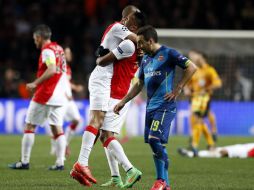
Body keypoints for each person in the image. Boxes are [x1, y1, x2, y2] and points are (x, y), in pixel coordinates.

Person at [114, 25, 197, 190]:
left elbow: (191, 67)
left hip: (165, 105)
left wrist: (178, 88)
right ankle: (165, 184)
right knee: (155, 144)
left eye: (141, 43)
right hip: (150, 107)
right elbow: (138, 84)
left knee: (154, 139)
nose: (139, 47)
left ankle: (161, 180)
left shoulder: (168, 53)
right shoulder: (145, 59)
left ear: (150, 41)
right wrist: (123, 101)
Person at [70, 5, 143, 188]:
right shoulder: (119, 27)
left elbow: (106, 55)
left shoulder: (126, 41)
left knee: (100, 128)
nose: (134, 24)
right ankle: (82, 163)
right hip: (104, 80)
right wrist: (144, 45)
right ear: (126, 18)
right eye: (133, 19)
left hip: (109, 83)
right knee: (98, 122)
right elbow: (135, 40)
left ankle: (81, 166)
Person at [8, 24, 67, 170]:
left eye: (35, 39)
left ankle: (24, 162)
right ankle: (60, 163)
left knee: (29, 126)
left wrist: (35, 83)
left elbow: (52, 69)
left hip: (47, 94)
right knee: (57, 129)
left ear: (39, 37)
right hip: (60, 95)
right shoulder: (59, 49)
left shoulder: (47, 50)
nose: (35, 41)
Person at [185, 50, 222, 156]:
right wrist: (187, 89)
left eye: (195, 56)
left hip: (204, 99)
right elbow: (188, 83)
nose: (193, 58)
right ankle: (210, 143)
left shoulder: (209, 70)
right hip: (195, 99)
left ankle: (194, 144)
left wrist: (206, 89)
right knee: (198, 121)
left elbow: (218, 83)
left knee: (197, 120)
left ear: (202, 57)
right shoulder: (195, 70)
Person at [50, 47, 83, 156]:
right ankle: (56, 148)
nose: (69, 55)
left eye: (70, 53)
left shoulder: (67, 68)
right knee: (56, 124)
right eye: (67, 53)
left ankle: (64, 144)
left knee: (77, 120)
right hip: (62, 99)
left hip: (68, 99)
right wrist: (75, 88)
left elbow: (66, 82)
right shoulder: (59, 66)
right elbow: (59, 82)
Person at [178, 143, 254, 158]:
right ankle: (191, 153)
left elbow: (250, 153)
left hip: (242, 151)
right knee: (218, 150)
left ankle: (192, 154)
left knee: (220, 153)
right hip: (240, 147)